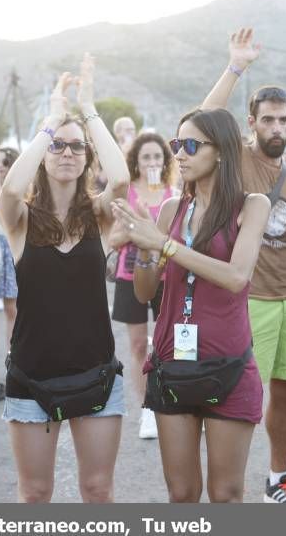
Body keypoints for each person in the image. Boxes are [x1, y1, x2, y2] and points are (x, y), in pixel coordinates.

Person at [112, 107, 270, 503]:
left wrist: (166, 245)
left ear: (221, 151)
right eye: (176, 144)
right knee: (181, 494)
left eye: (190, 145)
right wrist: (146, 250)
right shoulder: (171, 209)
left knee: (226, 494)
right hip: (172, 363)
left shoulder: (252, 206)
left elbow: (237, 277)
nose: (178, 154)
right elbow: (145, 292)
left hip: (228, 364)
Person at [0, 55, 130, 503]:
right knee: (35, 493)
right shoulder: (19, 220)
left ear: (88, 156)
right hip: (31, 376)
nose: (68, 153)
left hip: (96, 373)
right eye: (58, 146)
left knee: (97, 488)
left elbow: (122, 177)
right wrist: (51, 122)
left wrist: (88, 109)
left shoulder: (99, 216)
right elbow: (12, 189)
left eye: (77, 147)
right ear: (43, 153)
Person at [201, 28, 286, 503]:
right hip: (249, 299)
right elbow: (206, 119)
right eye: (267, 119)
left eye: (283, 120)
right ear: (251, 122)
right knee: (241, 400)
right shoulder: (236, 161)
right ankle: (231, 487)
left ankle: (277, 478)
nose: (276, 128)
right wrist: (236, 66)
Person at [110, 132, 176, 440]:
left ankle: (172, 403)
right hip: (130, 275)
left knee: (168, 345)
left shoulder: (172, 194)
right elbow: (113, 239)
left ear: (165, 162)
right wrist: (138, 226)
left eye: (157, 157)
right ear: (136, 161)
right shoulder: (128, 194)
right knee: (138, 346)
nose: (152, 162)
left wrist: (152, 231)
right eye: (146, 157)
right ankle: (147, 409)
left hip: (166, 277)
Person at [0, 147, 21, 402]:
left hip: (10, 246)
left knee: (12, 309)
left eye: (6, 162)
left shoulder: (15, 191)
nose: (0, 166)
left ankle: (14, 365)